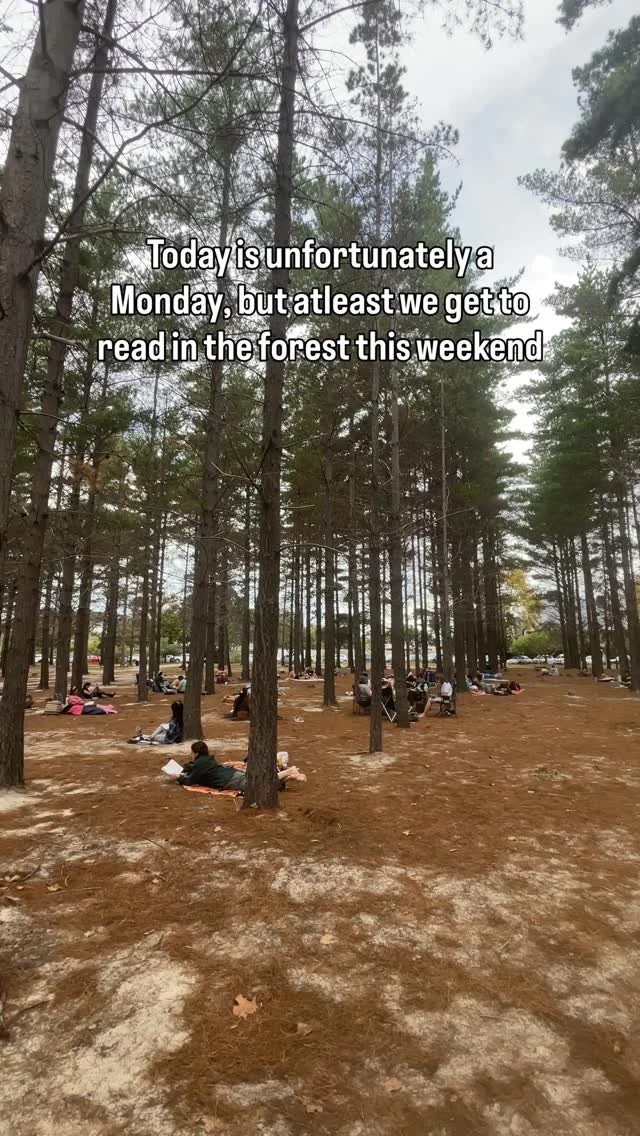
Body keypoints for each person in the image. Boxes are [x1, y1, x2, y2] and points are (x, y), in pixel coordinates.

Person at [173, 740, 306, 792]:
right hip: (232, 774)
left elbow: (191, 781)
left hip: (230, 780)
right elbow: (193, 768)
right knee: (261, 785)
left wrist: (179, 777)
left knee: (257, 785)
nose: (191, 755)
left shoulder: (200, 764)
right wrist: (188, 768)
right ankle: (289, 777)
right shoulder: (208, 759)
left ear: (196, 753)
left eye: (192, 753)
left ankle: (288, 772)